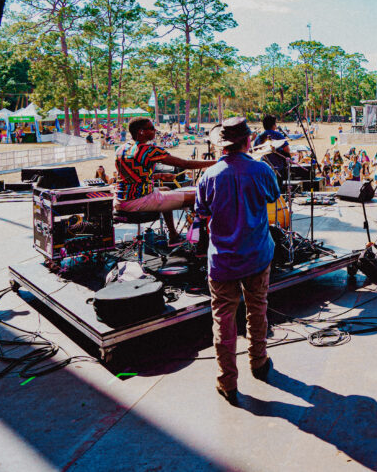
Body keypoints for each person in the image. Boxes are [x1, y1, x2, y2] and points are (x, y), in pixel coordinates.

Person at [194, 117, 281, 404]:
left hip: (222, 261)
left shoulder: (208, 176)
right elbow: (273, 197)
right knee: (257, 309)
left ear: (221, 145)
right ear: (247, 141)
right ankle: (259, 362)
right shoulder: (262, 170)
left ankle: (227, 381)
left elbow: (202, 214)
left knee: (223, 319)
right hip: (256, 254)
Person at [114, 116, 215, 245]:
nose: (155, 130)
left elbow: (131, 177)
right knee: (198, 195)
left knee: (166, 189)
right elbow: (185, 164)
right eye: (151, 128)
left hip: (121, 200)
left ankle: (173, 235)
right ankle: (200, 240)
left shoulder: (121, 149)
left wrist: (159, 175)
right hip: (138, 201)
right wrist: (217, 162)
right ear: (141, 131)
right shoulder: (149, 150)